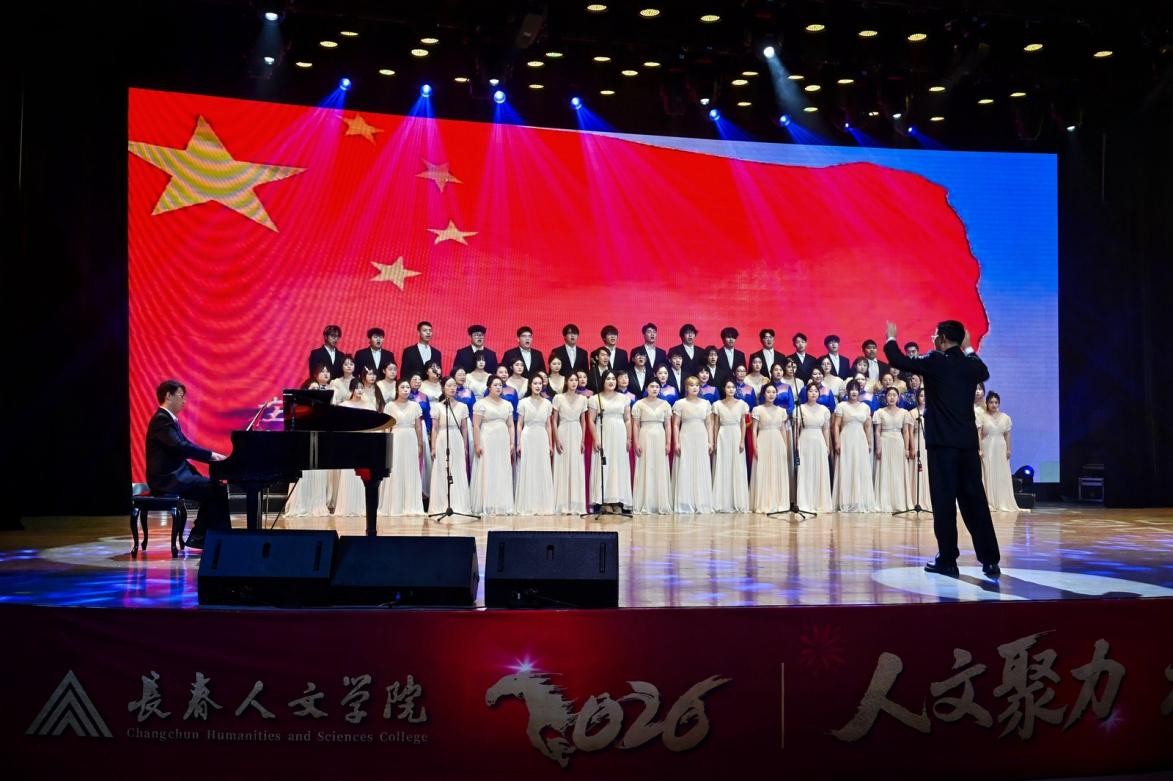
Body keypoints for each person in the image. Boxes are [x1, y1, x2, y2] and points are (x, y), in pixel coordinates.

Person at [884, 320, 1001, 577]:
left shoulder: (936, 360)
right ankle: (990, 560)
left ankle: (948, 560)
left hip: (942, 446)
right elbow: (983, 371)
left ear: (944, 338)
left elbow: (899, 360)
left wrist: (891, 338)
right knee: (975, 502)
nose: (934, 339)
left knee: (944, 503)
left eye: (936, 335)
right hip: (967, 444)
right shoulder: (971, 364)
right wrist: (968, 347)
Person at [145, 380, 230, 548]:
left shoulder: (168, 420)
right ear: (168, 396)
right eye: (181, 396)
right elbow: (180, 446)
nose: (184, 401)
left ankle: (206, 536)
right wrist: (211, 456)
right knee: (213, 489)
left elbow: (186, 445)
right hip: (166, 479)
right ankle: (207, 537)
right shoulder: (161, 420)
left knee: (215, 488)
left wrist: (211, 456)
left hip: (175, 475)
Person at [587, 371, 633, 512]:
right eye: (608, 379)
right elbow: (591, 420)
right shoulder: (595, 399)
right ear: (603, 381)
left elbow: (627, 419)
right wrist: (596, 438)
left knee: (618, 466)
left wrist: (629, 438)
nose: (611, 381)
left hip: (619, 434)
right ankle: (604, 501)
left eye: (613, 379)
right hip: (604, 433)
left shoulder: (624, 399)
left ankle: (617, 501)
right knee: (604, 465)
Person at [471, 377, 516, 515]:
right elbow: (476, 426)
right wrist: (477, 444)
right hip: (487, 439)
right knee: (488, 469)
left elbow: (510, 425)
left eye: (500, 385)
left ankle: (502, 504)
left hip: (502, 440)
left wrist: (512, 442)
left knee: (502, 469)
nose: (498, 387)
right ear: (489, 387)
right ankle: (488, 504)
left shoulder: (507, 404)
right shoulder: (481, 404)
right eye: (495, 385)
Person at [380, 379, 425, 517]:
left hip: (411, 438)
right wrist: (387, 443)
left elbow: (418, 427)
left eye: (407, 387)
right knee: (396, 469)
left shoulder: (415, 406)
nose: (406, 390)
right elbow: (387, 427)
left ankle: (411, 505)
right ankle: (395, 505)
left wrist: (420, 444)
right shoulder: (390, 406)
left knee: (410, 469)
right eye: (402, 387)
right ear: (397, 389)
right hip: (396, 438)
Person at [429, 376, 472, 516]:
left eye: (454, 385)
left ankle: (458, 504)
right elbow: (434, 428)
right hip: (442, 438)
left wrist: (464, 445)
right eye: (449, 385)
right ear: (443, 388)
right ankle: (442, 504)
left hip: (456, 438)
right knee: (442, 470)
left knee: (457, 469)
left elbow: (464, 428)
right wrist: (433, 447)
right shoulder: (437, 407)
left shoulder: (462, 406)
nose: (453, 388)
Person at [832, 379, 877, 512]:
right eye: (851, 389)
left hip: (860, 439)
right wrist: (837, 441)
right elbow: (836, 425)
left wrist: (869, 442)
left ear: (859, 391)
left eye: (856, 389)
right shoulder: (842, 406)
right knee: (847, 466)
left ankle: (859, 500)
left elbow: (867, 426)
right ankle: (846, 501)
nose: (854, 392)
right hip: (846, 438)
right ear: (847, 391)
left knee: (860, 467)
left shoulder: (865, 407)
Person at [671, 377, 715, 513]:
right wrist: (676, 442)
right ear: (686, 387)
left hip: (701, 436)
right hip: (686, 436)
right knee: (686, 465)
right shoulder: (680, 404)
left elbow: (709, 424)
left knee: (701, 466)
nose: (695, 387)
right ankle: (685, 502)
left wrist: (711, 441)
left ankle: (701, 501)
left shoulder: (706, 403)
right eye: (691, 385)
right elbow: (675, 424)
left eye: (697, 385)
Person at [514, 375, 556, 515]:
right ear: (530, 385)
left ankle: (542, 504)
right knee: (528, 468)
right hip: (528, 436)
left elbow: (548, 425)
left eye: (540, 383)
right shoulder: (523, 402)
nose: (538, 386)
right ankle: (528, 504)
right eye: (535, 383)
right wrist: (519, 443)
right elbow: (519, 424)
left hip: (542, 437)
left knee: (541, 468)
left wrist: (550, 444)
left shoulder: (547, 403)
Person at [631, 378, 673, 514]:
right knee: (646, 466)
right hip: (645, 436)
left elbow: (668, 425)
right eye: (652, 386)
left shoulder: (665, 405)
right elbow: (636, 425)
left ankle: (660, 503)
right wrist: (636, 442)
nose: (654, 389)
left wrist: (668, 442)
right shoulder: (639, 404)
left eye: (657, 387)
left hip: (660, 436)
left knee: (659, 467)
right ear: (646, 388)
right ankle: (645, 502)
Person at [750, 383, 791, 513]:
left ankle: (778, 502)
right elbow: (754, 430)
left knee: (776, 471)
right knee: (763, 471)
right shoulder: (757, 409)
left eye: (774, 392)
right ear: (764, 394)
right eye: (768, 392)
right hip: (763, 441)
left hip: (777, 442)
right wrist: (755, 447)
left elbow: (783, 430)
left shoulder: (781, 411)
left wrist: (785, 447)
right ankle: (764, 503)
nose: (771, 394)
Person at [552, 372, 589, 514]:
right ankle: (562, 503)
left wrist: (582, 440)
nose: (574, 382)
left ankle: (576, 504)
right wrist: (557, 439)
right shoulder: (558, 398)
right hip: (562, 431)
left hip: (576, 432)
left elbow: (583, 421)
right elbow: (554, 420)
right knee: (562, 466)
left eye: (576, 380)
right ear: (566, 382)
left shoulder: (583, 399)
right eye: (571, 380)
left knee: (576, 466)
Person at [712, 379, 750, 512]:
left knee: (737, 465)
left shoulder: (742, 404)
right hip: (723, 435)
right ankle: (722, 501)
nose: (731, 389)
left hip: (736, 434)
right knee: (723, 465)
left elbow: (743, 423)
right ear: (724, 389)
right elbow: (716, 424)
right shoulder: (717, 404)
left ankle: (737, 501)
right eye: (728, 387)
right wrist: (715, 441)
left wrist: (742, 440)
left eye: (733, 387)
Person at [873, 387, 913, 512]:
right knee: (885, 470)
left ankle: (899, 502)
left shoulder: (904, 413)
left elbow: (905, 431)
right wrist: (878, 447)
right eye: (889, 395)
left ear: (898, 397)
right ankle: (884, 502)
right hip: (884, 441)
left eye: (894, 395)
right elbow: (877, 431)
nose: (891, 397)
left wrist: (906, 449)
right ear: (885, 397)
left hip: (898, 442)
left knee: (898, 472)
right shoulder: (879, 412)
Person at [794, 383, 833, 512]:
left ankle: (819, 502)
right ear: (806, 393)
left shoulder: (824, 410)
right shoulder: (800, 409)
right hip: (804, 440)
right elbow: (796, 430)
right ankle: (805, 502)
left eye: (816, 391)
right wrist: (796, 445)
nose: (813, 393)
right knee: (805, 470)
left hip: (819, 441)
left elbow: (826, 429)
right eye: (810, 391)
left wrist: (827, 445)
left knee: (819, 470)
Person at [979, 391, 1020, 512]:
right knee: (988, 473)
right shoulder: (982, 417)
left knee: (1001, 473)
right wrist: (979, 448)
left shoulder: (1005, 417)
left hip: (1001, 447)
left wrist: (1009, 449)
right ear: (987, 403)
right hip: (987, 447)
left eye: (996, 402)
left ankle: (1001, 501)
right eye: (991, 402)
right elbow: (979, 434)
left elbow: (1007, 435)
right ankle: (989, 502)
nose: (994, 404)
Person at [907, 388, 932, 510]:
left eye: (926, 395)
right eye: (921, 395)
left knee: (929, 471)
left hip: (931, 443)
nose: (924, 398)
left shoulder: (933, 411)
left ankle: (929, 499)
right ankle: (916, 500)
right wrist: (912, 448)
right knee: (918, 471)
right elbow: (910, 432)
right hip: (918, 443)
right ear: (917, 397)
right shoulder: (912, 412)